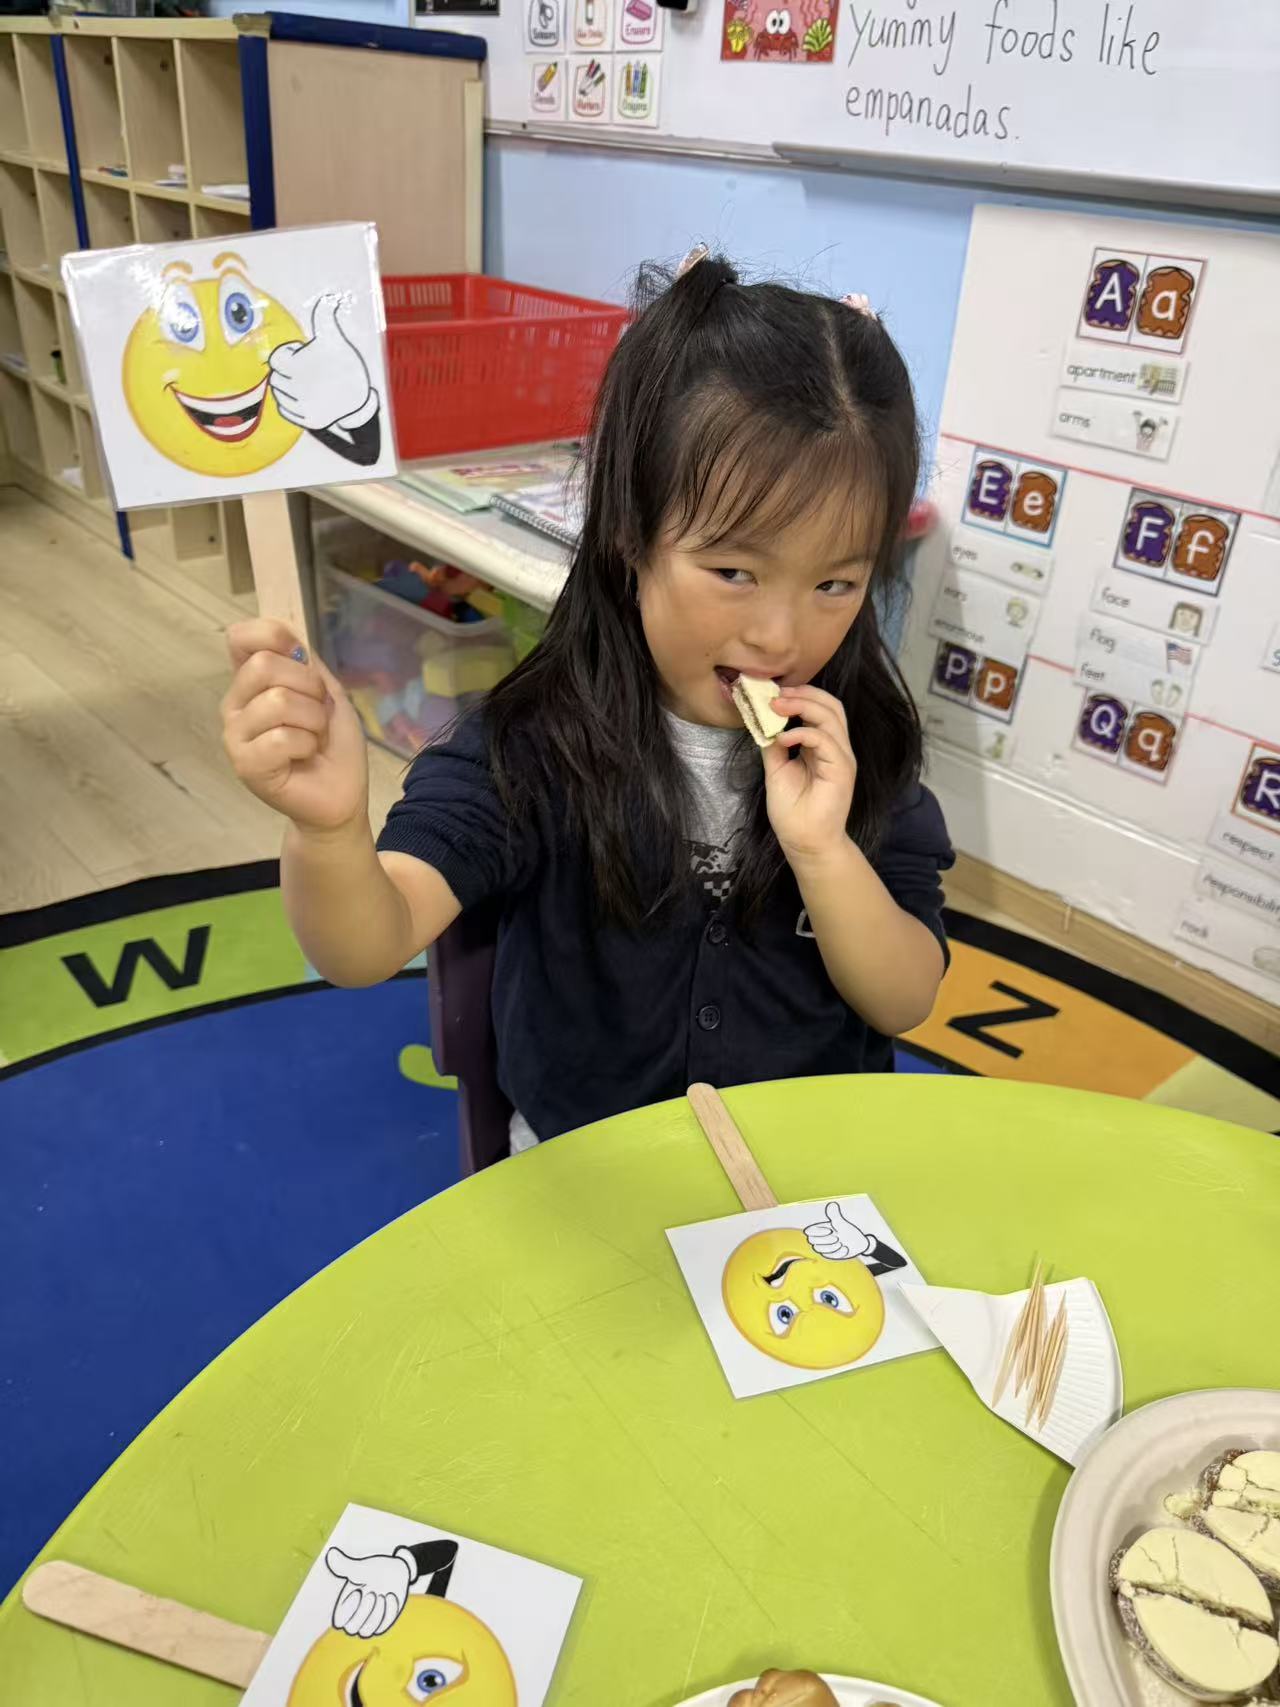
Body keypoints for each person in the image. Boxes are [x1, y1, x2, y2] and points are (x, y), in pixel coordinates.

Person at [221, 248, 954, 1149]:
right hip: (584, 1163)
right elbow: (365, 945)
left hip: (805, 1168)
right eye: (734, 571)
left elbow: (905, 998)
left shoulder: (861, 747)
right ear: (629, 534)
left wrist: (823, 852)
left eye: (835, 584)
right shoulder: (536, 744)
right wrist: (330, 830)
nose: (780, 634)